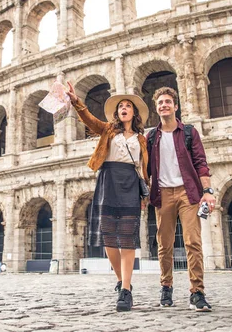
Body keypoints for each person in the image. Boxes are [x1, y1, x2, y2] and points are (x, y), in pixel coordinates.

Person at [66, 81, 149, 312]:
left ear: (134, 113)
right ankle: (122, 279)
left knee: (128, 238)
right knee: (109, 238)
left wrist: (145, 195)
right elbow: (89, 120)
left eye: (128, 106)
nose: (124, 108)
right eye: (120, 106)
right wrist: (76, 102)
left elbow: (144, 167)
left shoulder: (142, 139)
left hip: (130, 183)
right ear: (117, 112)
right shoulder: (108, 130)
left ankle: (125, 289)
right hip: (108, 179)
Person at [146, 87, 216, 312]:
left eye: (167, 102)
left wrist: (208, 192)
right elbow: (145, 167)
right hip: (163, 193)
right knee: (164, 245)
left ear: (175, 106)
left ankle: (197, 292)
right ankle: (166, 287)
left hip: (188, 192)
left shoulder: (188, 132)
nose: (164, 105)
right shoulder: (152, 136)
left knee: (192, 242)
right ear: (156, 108)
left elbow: (200, 162)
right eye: (160, 103)